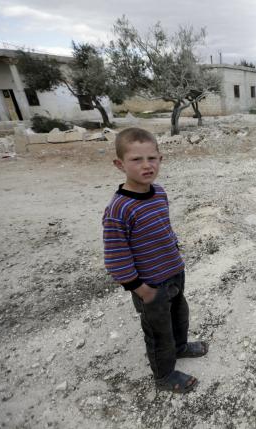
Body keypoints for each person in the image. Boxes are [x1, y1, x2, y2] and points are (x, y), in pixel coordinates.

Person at [102, 127, 208, 394]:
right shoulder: (119, 209)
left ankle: (181, 347)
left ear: (161, 159)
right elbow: (116, 258)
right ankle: (164, 375)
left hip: (174, 273)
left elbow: (162, 227)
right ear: (120, 164)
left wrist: (173, 245)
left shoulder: (159, 192)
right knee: (158, 332)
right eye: (136, 160)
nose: (146, 165)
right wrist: (141, 288)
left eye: (152, 158)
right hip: (150, 285)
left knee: (180, 316)